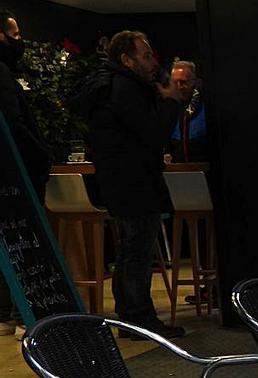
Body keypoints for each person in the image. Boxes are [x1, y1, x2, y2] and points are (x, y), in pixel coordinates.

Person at [70, 30, 186, 339]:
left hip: (116, 179)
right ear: (126, 59)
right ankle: (139, 319)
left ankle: (131, 317)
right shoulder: (127, 89)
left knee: (130, 250)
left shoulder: (106, 86)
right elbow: (152, 134)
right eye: (146, 55)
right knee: (138, 251)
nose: (152, 61)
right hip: (133, 180)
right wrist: (171, 103)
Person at [0, 9, 49, 335]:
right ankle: (22, 315)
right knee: (23, 241)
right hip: (17, 177)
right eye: (15, 35)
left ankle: (6, 313)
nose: (20, 41)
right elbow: (15, 126)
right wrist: (41, 155)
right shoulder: (3, 74)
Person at [168, 59, 206, 162]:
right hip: (178, 171)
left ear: (195, 82)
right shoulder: (169, 108)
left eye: (183, 82)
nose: (179, 87)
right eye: (175, 82)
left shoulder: (205, 106)